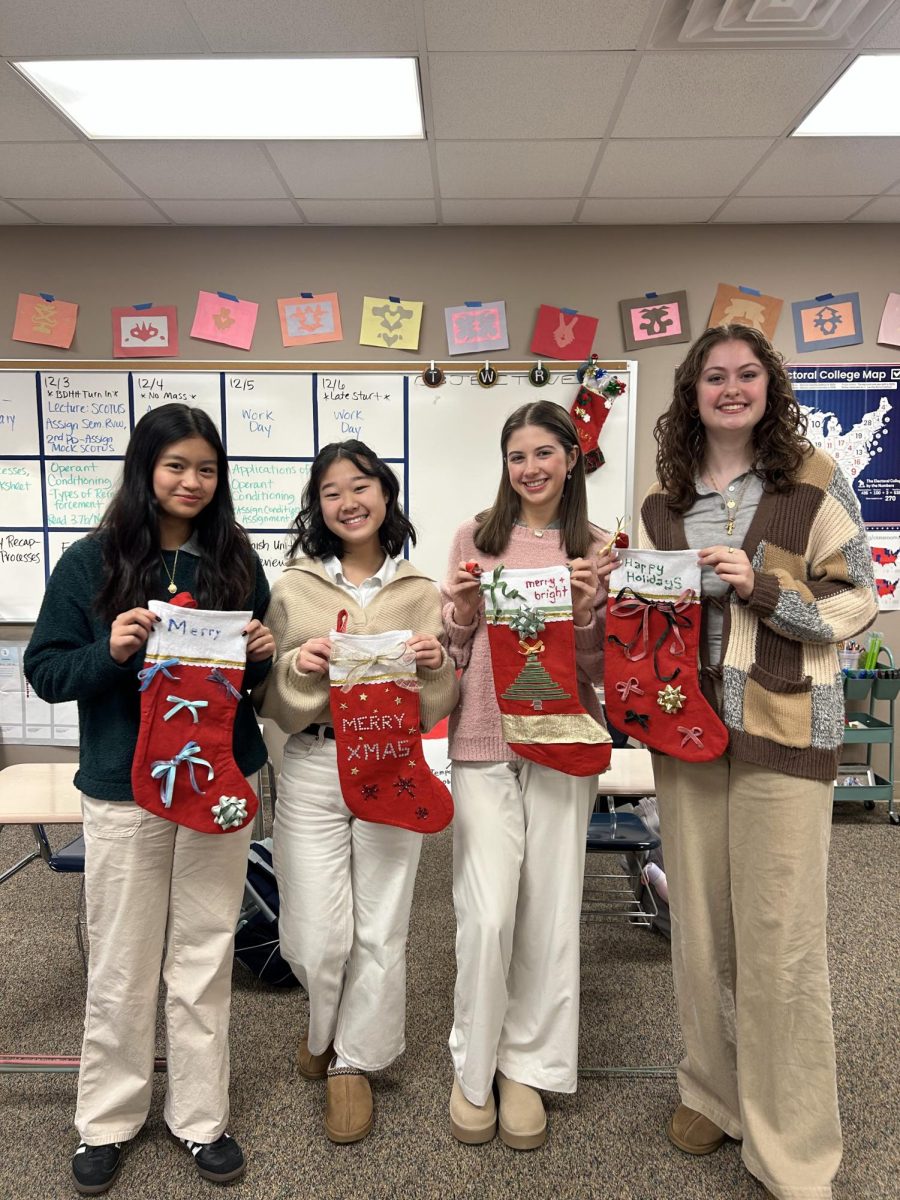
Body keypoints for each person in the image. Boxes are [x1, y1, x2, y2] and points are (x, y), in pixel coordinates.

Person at [640, 324, 877, 1200]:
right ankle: (713, 1089)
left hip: (784, 728)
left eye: (747, 375)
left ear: (769, 388)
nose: (731, 388)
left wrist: (764, 589)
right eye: (715, 376)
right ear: (691, 392)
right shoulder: (661, 505)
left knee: (779, 940)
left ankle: (794, 1141)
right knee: (698, 930)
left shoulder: (811, 483)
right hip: (687, 731)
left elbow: (860, 602)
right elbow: (656, 621)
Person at [24, 404, 274, 1196]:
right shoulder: (90, 563)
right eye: (176, 466)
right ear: (146, 469)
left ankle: (200, 1118)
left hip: (219, 782)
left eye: (206, 468)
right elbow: (48, 672)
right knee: (123, 958)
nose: (192, 482)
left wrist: (261, 657)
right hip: (124, 787)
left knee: (203, 951)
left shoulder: (235, 561)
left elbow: (241, 690)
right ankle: (106, 1120)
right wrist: (112, 650)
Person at [256, 439, 458, 1144]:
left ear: (386, 493)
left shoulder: (421, 591)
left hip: (394, 766)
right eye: (332, 490)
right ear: (317, 505)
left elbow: (436, 701)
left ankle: (353, 1060)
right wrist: (298, 665)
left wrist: (437, 662)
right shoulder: (293, 588)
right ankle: (323, 1023)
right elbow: (271, 698)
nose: (348, 501)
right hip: (313, 764)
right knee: (313, 936)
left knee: (381, 925)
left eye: (361, 485)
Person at [441, 400, 614, 1150]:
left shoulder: (600, 549)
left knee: (548, 914)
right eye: (518, 455)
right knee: (486, 917)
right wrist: (459, 613)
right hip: (484, 739)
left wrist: (585, 612)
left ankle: (527, 1068)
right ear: (504, 463)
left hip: (563, 743)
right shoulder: (474, 537)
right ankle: (472, 1065)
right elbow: (453, 652)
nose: (532, 468)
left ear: (571, 460)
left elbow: (605, 668)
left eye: (546, 453)